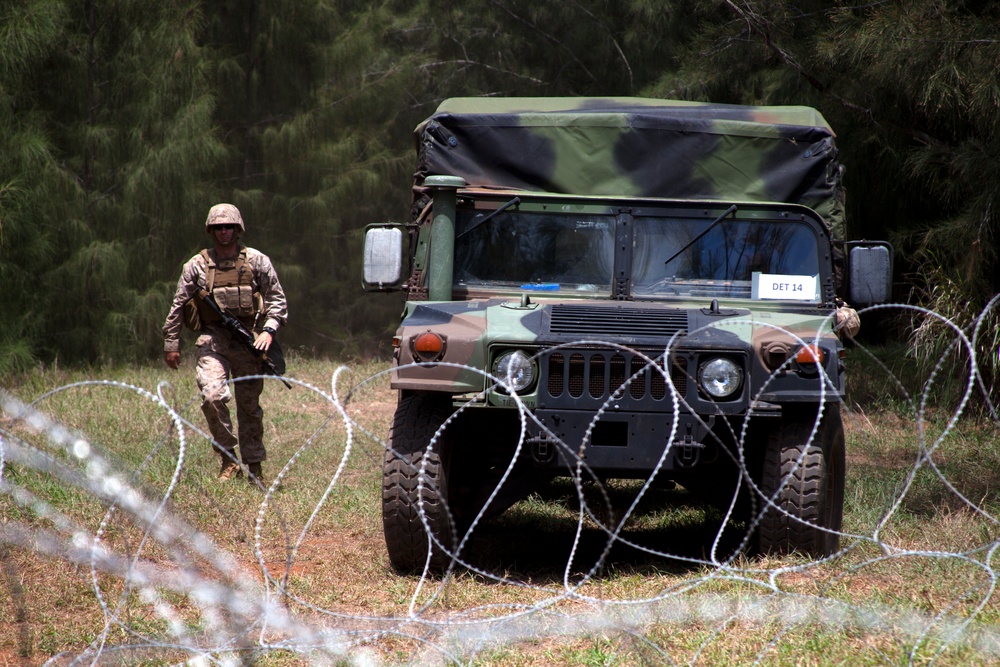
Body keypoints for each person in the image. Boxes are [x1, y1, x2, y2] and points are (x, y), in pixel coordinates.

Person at [162, 203, 288, 485]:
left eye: (228, 226)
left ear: (238, 228)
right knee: (212, 395)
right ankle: (228, 458)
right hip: (213, 338)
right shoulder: (196, 265)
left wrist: (268, 331)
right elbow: (178, 304)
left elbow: (277, 300)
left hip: (249, 341)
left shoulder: (257, 261)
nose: (223, 232)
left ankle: (254, 466)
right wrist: (171, 343)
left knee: (249, 407)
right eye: (218, 227)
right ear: (211, 230)